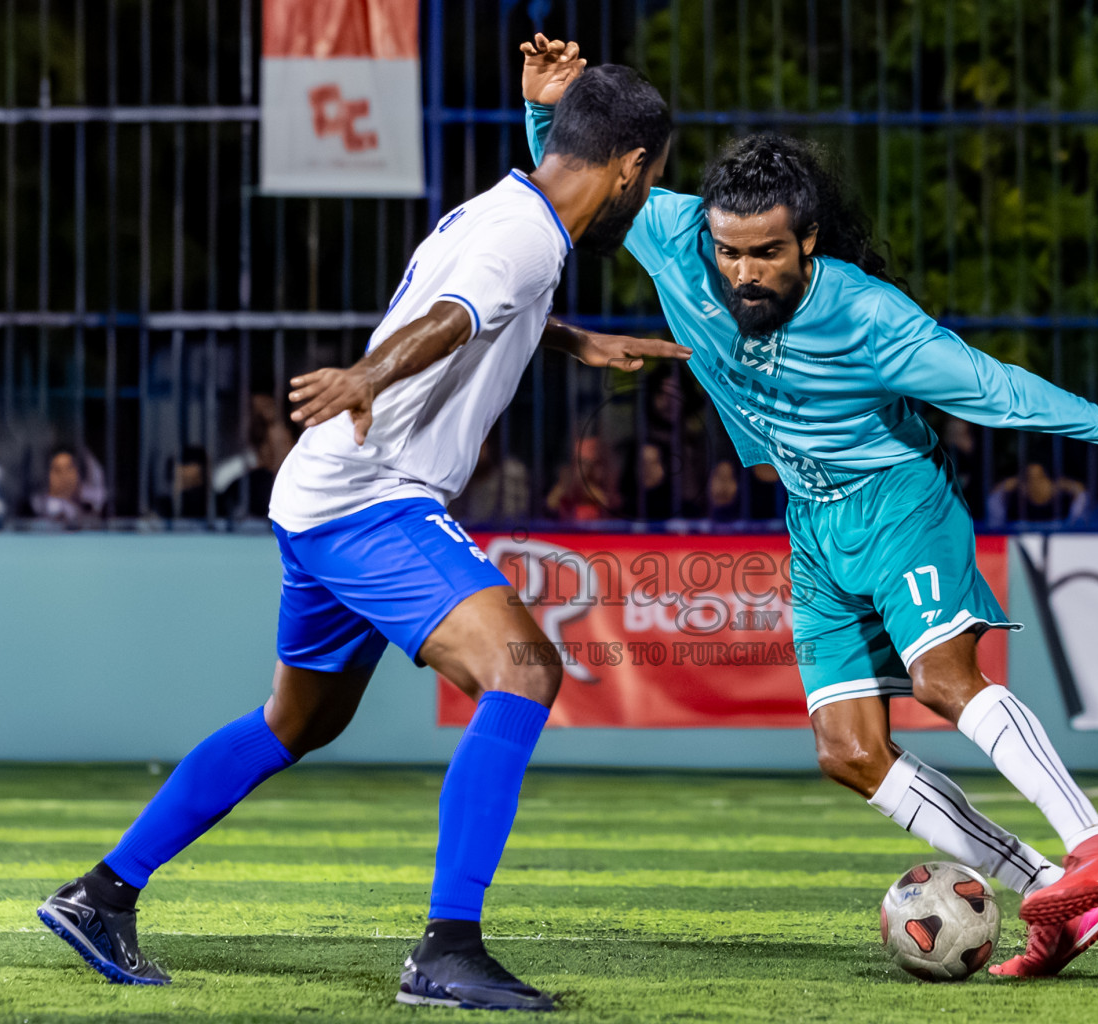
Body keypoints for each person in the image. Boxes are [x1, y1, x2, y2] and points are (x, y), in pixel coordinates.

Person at [524, 37, 1098, 979]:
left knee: (943, 679)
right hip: (812, 529)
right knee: (849, 751)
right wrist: (548, 113)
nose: (743, 274)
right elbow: (581, 193)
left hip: (898, 499)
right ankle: (1046, 890)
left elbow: (995, 390)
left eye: (767, 254)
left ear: (806, 241)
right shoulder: (673, 233)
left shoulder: (869, 318)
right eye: (730, 254)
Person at [37, 56, 687, 1012]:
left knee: (297, 722)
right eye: (656, 175)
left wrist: (574, 340)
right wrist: (367, 378)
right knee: (525, 669)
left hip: (320, 496)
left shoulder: (511, 213)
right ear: (631, 168)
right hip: (374, 498)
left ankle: (101, 894)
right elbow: (454, 316)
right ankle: (447, 950)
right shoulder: (523, 237)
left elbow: (493, 304)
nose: (652, 192)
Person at [985, 462, 1090, 528]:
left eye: (1040, 478)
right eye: (1029, 479)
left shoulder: (1061, 511)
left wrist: (1063, 484)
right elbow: (994, 507)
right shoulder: (1017, 513)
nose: (1035, 484)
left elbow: (1082, 496)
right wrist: (1010, 483)